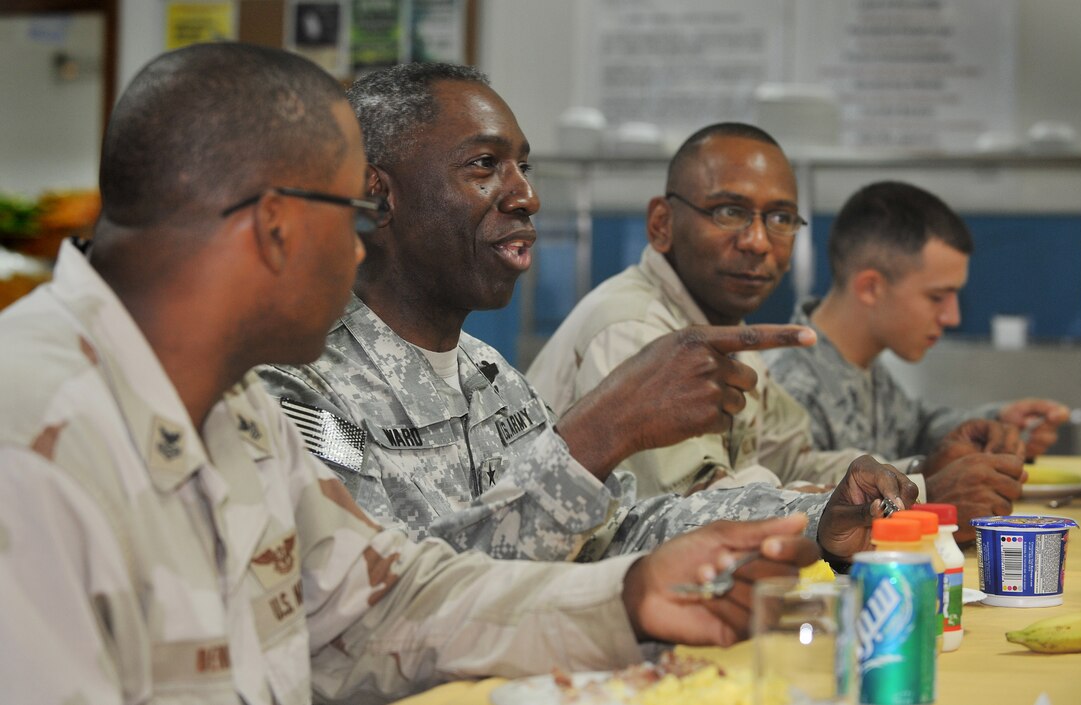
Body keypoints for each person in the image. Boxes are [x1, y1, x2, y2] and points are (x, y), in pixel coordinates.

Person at [0, 44, 901, 704]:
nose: (360, 241)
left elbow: (379, 605)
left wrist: (629, 592)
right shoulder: (36, 433)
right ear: (276, 225)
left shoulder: (231, 408)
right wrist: (598, 435)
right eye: (355, 207)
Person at [259, 63, 910, 564]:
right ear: (378, 196)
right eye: (486, 165)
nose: (527, 195)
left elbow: (607, 532)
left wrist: (818, 520)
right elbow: (399, 605)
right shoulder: (301, 393)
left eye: (525, 166)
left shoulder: (487, 374)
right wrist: (599, 432)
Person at [527, 123, 1026, 542]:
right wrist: (924, 497)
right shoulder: (635, 329)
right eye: (730, 212)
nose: (759, 241)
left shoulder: (723, 325)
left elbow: (789, 458)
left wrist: (918, 468)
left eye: (781, 218)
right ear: (662, 224)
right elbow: (693, 513)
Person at [763, 180, 1069, 462]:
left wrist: (996, 424)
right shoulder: (788, 390)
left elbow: (914, 432)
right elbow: (808, 511)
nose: (952, 317)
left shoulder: (862, 368)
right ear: (871, 288)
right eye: (937, 297)